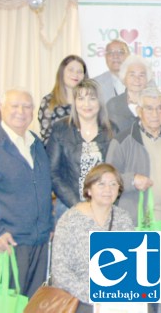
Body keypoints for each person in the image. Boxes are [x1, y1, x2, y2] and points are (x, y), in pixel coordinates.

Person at [0, 89, 53, 311]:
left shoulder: (35, 142)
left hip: (39, 241)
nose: (21, 111)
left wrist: (49, 224)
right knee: (4, 306)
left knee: (31, 305)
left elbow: (44, 186)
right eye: (15, 106)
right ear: (2, 109)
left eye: (27, 106)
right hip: (6, 242)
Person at [106, 87, 161, 235]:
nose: (155, 114)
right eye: (149, 109)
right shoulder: (121, 141)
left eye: (160, 108)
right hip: (132, 225)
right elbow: (107, 181)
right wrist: (131, 180)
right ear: (139, 111)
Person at [51, 163, 134, 312]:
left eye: (113, 184)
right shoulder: (70, 219)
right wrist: (93, 295)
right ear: (89, 190)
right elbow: (59, 271)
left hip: (116, 295)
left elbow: (132, 264)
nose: (107, 189)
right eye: (101, 184)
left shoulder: (123, 219)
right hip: (79, 298)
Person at [46, 79, 116, 219]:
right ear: (74, 102)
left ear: (100, 102)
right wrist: (77, 204)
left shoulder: (112, 130)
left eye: (92, 98)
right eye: (81, 98)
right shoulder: (60, 129)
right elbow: (52, 172)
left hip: (104, 208)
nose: (86, 104)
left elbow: (118, 170)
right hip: (68, 206)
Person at [38, 55, 88, 142]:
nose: (75, 75)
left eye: (80, 71)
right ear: (62, 72)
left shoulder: (89, 102)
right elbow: (47, 139)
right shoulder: (49, 101)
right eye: (71, 70)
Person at [106, 55, 153, 133]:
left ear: (147, 79)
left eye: (141, 75)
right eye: (132, 75)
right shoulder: (113, 105)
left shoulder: (154, 104)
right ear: (124, 78)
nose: (137, 79)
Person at [93, 39, 130, 103]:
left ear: (128, 56)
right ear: (105, 57)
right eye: (110, 52)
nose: (115, 56)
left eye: (120, 52)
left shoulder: (143, 82)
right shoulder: (95, 84)